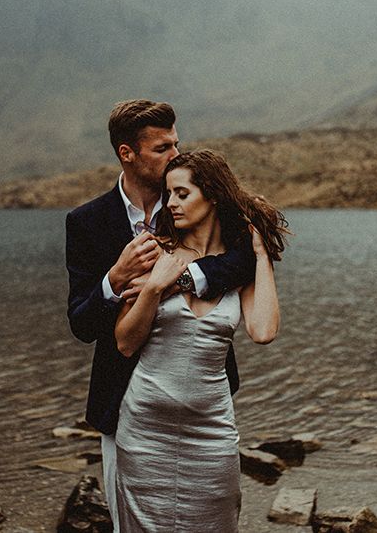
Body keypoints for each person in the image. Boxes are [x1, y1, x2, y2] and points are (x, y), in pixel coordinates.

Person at [65, 100, 256, 524]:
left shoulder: (198, 204)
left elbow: (246, 260)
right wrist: (114, 279)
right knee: (128, 521)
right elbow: (81, 323)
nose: (175, 155)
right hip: (122, 402)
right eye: (161, 148)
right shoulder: (87, 222)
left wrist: (183, 277)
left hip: (200, 401)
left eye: (176, 143)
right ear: (126, 154)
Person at [113, 149, 288, 532]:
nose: (170, 203)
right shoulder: (154, 251)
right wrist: (154, 288)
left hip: (212, 430)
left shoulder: (237, 264)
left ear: (211, 194)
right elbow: (125, 342)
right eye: (168, 194)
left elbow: (263, 331)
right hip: (146, 428)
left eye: (181, 193)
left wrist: (260, 256)